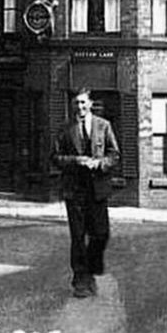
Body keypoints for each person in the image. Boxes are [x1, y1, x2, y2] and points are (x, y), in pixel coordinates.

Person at [50, 87, 121, 298]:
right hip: (75, 190)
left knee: (100, 234)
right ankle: (80, 280)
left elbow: (114, 154)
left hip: (97, 189)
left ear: (90, 104)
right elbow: (54, 157)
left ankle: (89, 270)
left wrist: (99, 164)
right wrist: (75, 161)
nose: (80, 107)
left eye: (83, 103)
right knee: (78, 236)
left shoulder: (103, 126)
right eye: (76, 104)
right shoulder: (65, 129)